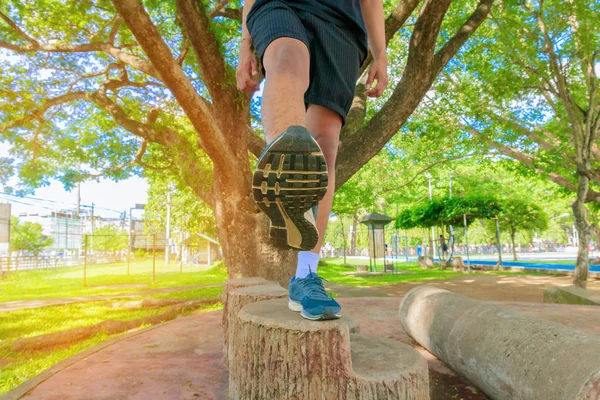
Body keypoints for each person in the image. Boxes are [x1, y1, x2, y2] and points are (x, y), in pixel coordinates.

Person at [237, 0, 387, 320]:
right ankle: (286, 173)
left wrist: (381, 55)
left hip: (343, 24)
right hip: (280, 5)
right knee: (288, 62)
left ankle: (305, 276)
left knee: (325, 144)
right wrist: (244, 48)